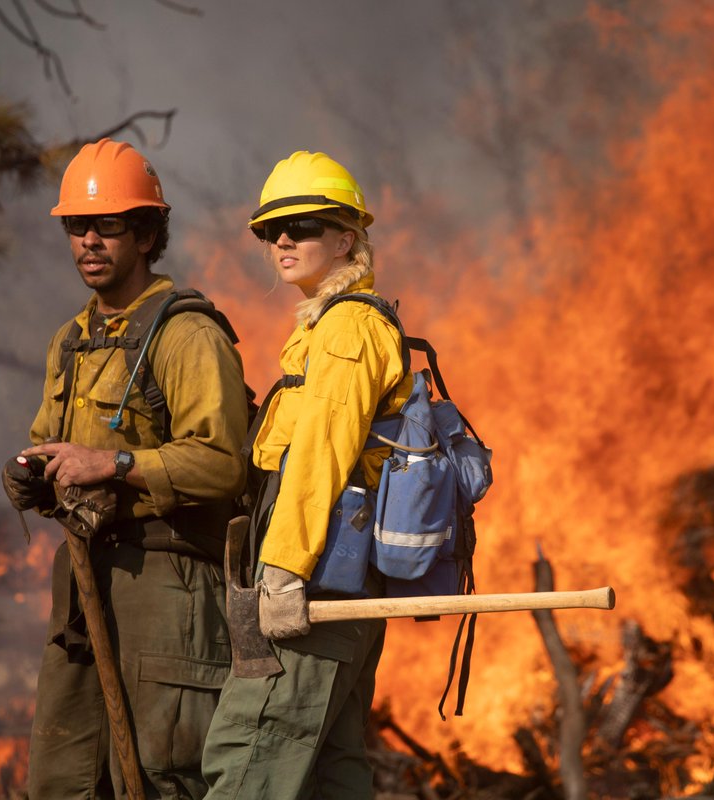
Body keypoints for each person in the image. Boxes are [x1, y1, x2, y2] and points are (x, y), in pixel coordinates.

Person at [2, 137, 248, 799]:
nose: (88, 240)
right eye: (76, 226)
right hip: (83, 587)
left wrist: (111, 463)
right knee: (62, 783)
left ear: (145, 234)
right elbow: (51, 446)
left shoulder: (187, 335)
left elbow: (222, 464)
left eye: (107, 225)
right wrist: (30, 475)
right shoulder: (70, 340)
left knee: (164, 777)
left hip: (167, 584)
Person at [201, 151, 412, 799]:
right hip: (333, 582)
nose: (283, 241)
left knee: (250, 753)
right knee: (329, 772)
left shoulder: (347, 328)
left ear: (346, 239)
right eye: (271, 231)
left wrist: (285, 569)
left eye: (303, 226)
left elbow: (323, 451)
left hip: (320, 581)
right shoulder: (329, 324)